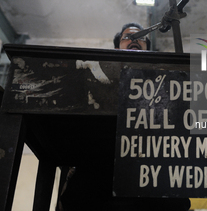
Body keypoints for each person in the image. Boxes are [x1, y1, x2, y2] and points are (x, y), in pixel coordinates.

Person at [58, 23, 190, 211]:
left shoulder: (163, 78)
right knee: (79, 193)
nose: (135, 40)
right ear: (117, 46)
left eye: (142, 37)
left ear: (148, 48)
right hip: (105, 158)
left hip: (150, 160)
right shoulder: (97, 74)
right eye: (127, 37)